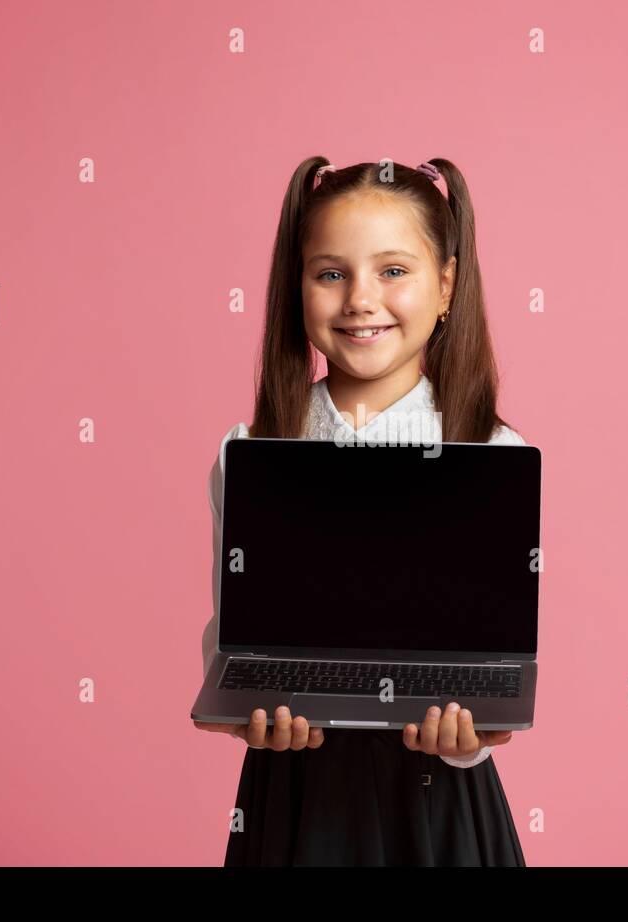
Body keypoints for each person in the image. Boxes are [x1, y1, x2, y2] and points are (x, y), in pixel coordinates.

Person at [194, 157, 528, 865]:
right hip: (294, 797)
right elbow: (230, 636)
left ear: (446, 285)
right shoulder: (252, 449)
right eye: (331, 273)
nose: (360, 300)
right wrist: (248, 718)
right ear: (299, 287)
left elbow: (497, 663)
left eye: (394, 271)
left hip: (441, 811)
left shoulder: (492, 451)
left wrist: (473, 740)